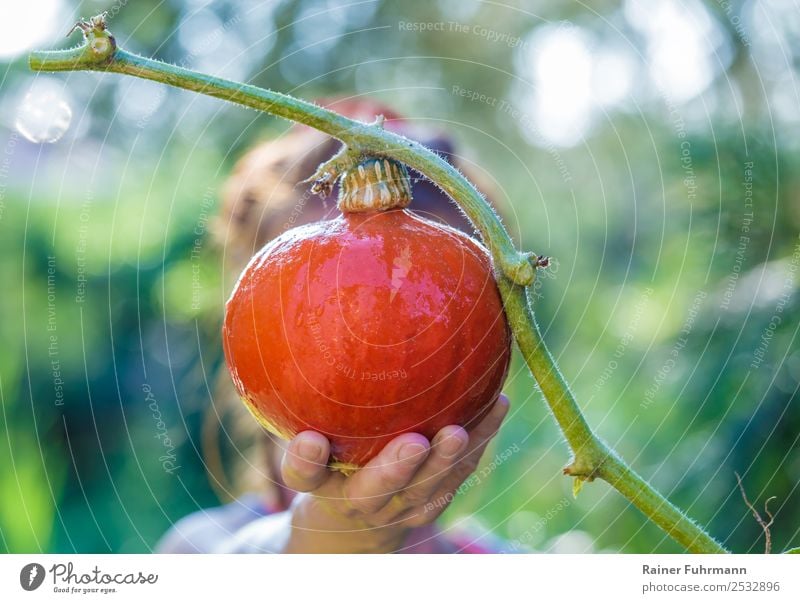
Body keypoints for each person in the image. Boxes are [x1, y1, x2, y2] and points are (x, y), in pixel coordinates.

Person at [156, 98, 512, 553]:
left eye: (425, 331)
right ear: (248, 345)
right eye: (316, 322)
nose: (380, 369)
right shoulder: (198, 553)